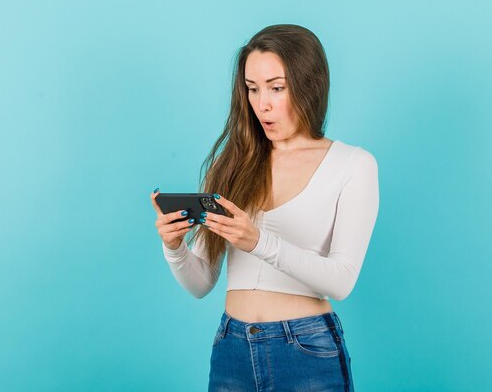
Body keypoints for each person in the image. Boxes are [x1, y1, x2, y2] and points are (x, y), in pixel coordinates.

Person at [150, 24, 379, 392]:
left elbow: (342, 280)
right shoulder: (232, 164)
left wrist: (257, 241)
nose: (262, 104)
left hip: (305, 350)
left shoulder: (353, 164)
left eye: (276, 87)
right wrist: (174, 247)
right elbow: (200, 283)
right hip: (231, 348)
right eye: (252, 89)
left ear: (310, 84)